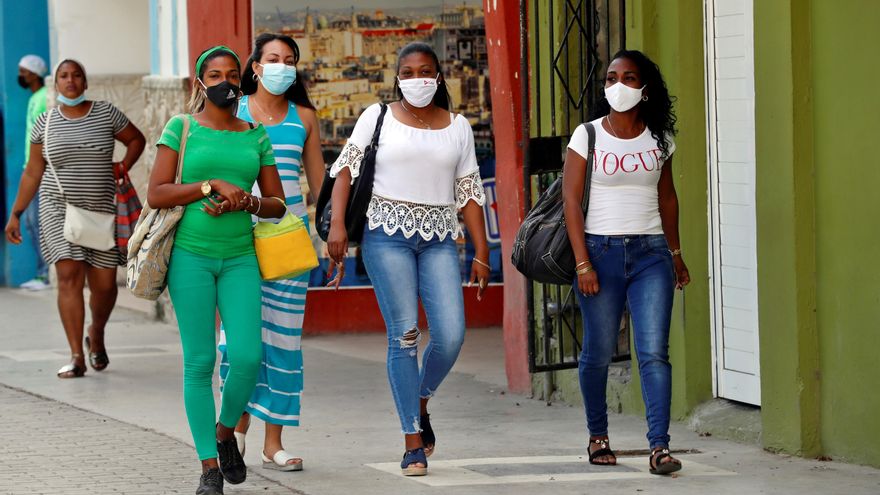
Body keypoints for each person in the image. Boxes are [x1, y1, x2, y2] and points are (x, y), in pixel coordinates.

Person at [326, 42, 489, 477]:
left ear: (439, 76)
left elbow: (469, 192)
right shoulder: (376, 116)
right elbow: (346, 172)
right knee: (405, 335)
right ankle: (412, 441)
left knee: (451, 335)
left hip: (439, 238)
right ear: (397, 78)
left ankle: (419, 399)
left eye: (426, 71)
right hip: (385, 235)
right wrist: (338, 225)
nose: (418, 79)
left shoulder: (458, 126)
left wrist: (482, 251)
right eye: (409, 72)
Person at [147, 45, 287, 495]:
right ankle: (209, 467)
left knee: (247, 357)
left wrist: (246, 201)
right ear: (200, 83)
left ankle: (225, 433)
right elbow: (157, 192)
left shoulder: (255, 135)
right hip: (190, 257)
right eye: (214, 75)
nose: (224, 81)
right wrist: (210, 185)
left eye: (231, 74)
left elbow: (278, 204)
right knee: (200, 361)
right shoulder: (181, 127)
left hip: (240, 257)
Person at [562, 49, 691, 475]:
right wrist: (582, 263)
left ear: (645, 88)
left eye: (629, 78)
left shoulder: (660, 139)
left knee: (653, 352)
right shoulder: (587, 135)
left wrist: (676, 254)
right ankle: (598, 435)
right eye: (611, 78)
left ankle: (659, 447)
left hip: (651, 254)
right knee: (598, 352)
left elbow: (667, 198)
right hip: (600, 252)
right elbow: (570, 201)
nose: (618, 85)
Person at [218, 33, 324, 472]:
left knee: (283, 340)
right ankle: (235, 429)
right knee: (239, 341)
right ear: (256, 67)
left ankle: (273, 442)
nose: (282, 66)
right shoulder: (233, 111)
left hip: (288, 242)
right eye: (273, 58)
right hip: (237, 238)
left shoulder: (305, 118)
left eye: (289, 59)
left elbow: (319, 184)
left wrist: (333, 235)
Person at [5, 59, 146, 378]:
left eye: (76, 75)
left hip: (102, 211)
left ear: (85, 82)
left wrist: (123, 165)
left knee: (105, 286)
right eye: (64, 76)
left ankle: (96, 332)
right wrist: (16, 213)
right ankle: (76, 356)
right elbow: (33, 172)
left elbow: (136, 139)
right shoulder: (45, 122)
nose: (70, 81)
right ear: (56, 84)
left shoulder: (106, 113)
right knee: (68, 275)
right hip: (58, 208)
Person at [17, 54, 50, 290]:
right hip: (30, 168)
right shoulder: (34, 98)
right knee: (30, 221)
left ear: (34, 73)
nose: (21, 76)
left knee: (37, 222)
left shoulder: (43, 98)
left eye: (24, 71)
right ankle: (43, 273)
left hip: (39, 170)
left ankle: (45, 274)